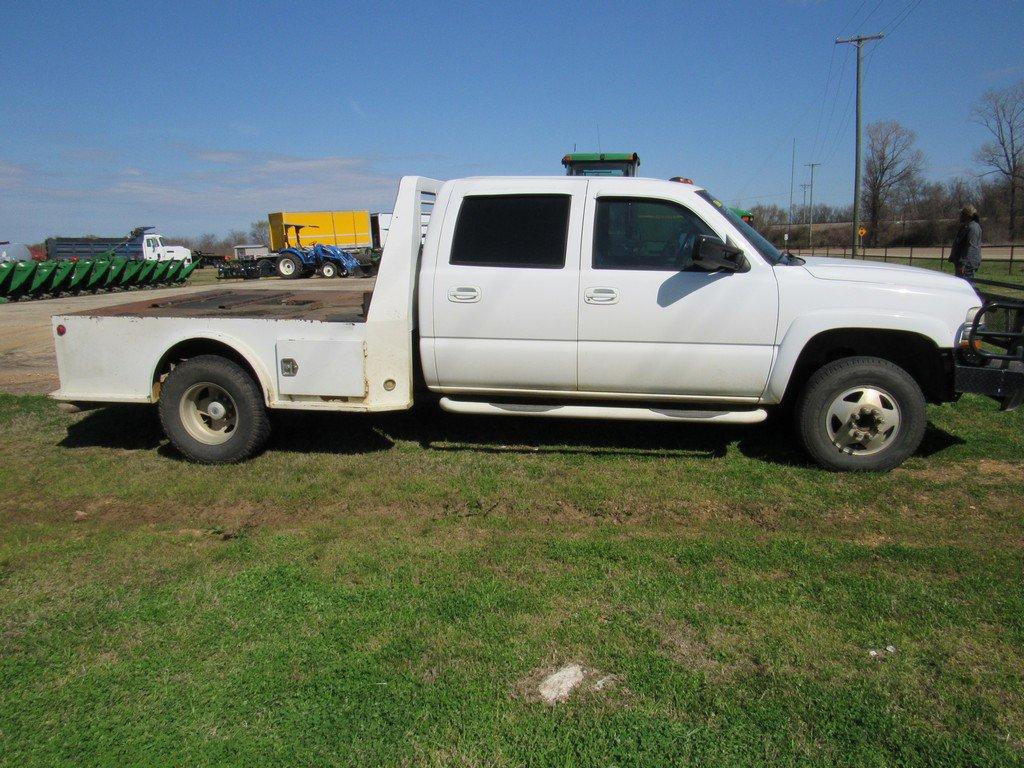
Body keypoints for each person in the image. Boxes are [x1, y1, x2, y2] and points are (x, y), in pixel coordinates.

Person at [949, 205, 982, 278]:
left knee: (967, 284)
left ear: (967, 216)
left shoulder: (973, 228)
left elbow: (971, 247)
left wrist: (964, 264)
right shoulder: (965, 227)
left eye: (962, 214)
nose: (960, 216)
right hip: (961, 263)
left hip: (967, 265)